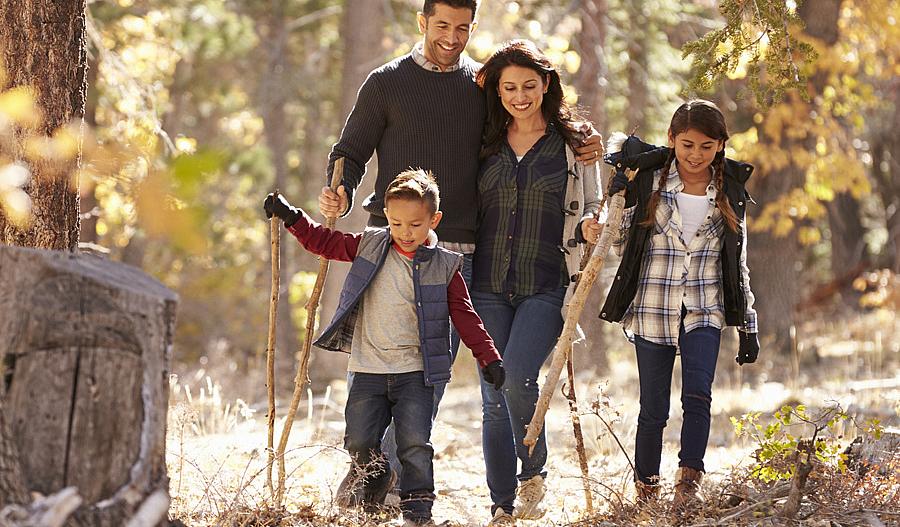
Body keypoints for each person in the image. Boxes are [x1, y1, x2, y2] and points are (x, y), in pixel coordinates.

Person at [317, 0, 603, 497]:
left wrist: (581, 137)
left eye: (463, 28)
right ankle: (369, 472)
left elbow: (526, 122)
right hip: (392, 247)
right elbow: (351, 151)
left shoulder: (480, 87)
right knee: (385, 364)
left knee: (432, 372)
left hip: (462, 255)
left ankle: (391, 480)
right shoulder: (386, 82)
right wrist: (339, 190)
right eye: (442, 25)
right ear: (422, 22)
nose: (451, 37)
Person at [264, 170, 505, 527]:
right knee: (359, 440)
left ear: (434, 220)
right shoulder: (371, 245)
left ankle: (418, 510)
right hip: (367, 369)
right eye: (396, 223)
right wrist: (291, 217)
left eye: (415, 224)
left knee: (414, 444)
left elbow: (465, 315)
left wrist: (488, 356)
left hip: (415, 373)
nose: (405, 233)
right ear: (386, 218)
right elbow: (325, 242)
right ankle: (376, 479)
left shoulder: (445, 265)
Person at [599, 99, 760, 513]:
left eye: (707, 146)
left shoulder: (730, 192)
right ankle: (647, 489)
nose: (695, 155)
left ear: (721, 145)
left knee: (698, 396)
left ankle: (689, 481)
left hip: (705, 308)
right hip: (654, 306)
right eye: (687, 144)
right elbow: (617, 244)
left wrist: (748, 323)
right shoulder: (650, 181)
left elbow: (737, 262)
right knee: (653, 408)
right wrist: (617, 201)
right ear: (671, 140)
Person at [470, 40, 603, 526]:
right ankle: (501, 504)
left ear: (546, 85)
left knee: (519, 377)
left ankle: (533, 471)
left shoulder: (574, 144)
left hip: (546, 283)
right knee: (491, 394)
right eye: (510, 87)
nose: (520, 95)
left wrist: (592, 224)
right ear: (498, 91)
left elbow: (595, 203)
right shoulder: (483, 138)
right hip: (485, 283)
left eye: (529, 85)